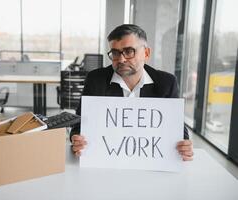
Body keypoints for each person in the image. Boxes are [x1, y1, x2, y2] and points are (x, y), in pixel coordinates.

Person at [71, 24, 193, 161]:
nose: (121, 59)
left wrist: (184, 144)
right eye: (115, 53)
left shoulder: (166, 82)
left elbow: (177, 127)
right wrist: (76, 138)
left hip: (150, 163)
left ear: (146, 53)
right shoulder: (96, 80)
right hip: (108, 161)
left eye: (129, 51)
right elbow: (79, 123)